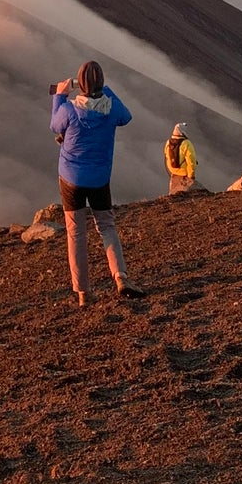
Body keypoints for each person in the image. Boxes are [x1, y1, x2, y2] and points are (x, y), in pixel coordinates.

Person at [49, 60, 144, 306]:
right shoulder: (111, 110)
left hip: (71, 178)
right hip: (100, 178)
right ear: (101, 83)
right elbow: (127, 116)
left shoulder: (70, 110)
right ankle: (121, 277)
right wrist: (105, 90)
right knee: (107, 226)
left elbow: (54, 126)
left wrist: (59, 96)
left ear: (80, 84)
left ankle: (83, 292)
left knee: (76, 232)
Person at [163, 122, 198, 194]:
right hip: (183, 172)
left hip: (173, 170)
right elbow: (191, 161)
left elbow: (166, 157)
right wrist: (191, 176)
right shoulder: (187, 143)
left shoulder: (168, 142)